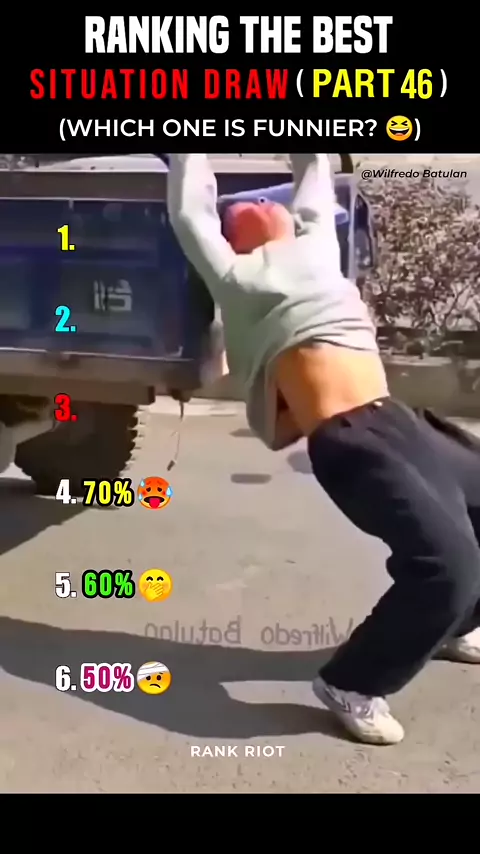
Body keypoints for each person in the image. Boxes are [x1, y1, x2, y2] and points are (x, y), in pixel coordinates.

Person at [167, 153, 480, 745]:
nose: (260, 202)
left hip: (399, 419)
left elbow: (313, 174)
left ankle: (452, 624)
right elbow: (190, 212)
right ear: (233, 238)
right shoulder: (236, 277)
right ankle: (350, 683)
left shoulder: (316, 246)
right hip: (351, 441)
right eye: (241, 210)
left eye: (266, 198)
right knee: (446, 565)